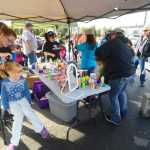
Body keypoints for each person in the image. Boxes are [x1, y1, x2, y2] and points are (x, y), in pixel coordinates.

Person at [1, 61, 49, 150]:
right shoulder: (4, 82)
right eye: (18, 72)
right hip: (12, 103)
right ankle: (14, 142)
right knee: (17, 120)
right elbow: (3, 96)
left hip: (23, 100)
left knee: (30, 113)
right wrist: (6, 106)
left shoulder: (23, 79)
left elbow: (26, 91)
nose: (20, 74)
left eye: (20, 71)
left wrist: (29, 101)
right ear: (10, 72)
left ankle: (41, 129)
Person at [95, 33, 135, 126]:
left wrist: (100, 61)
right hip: (127, 74)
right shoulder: (126, 45)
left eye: (111, 35)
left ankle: (115, 118)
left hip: (117, 76)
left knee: (113, 96)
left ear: (114, 36)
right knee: (121, 93)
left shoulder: (114, 42)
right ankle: (123, 112)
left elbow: (98, 51)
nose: (109, 37)